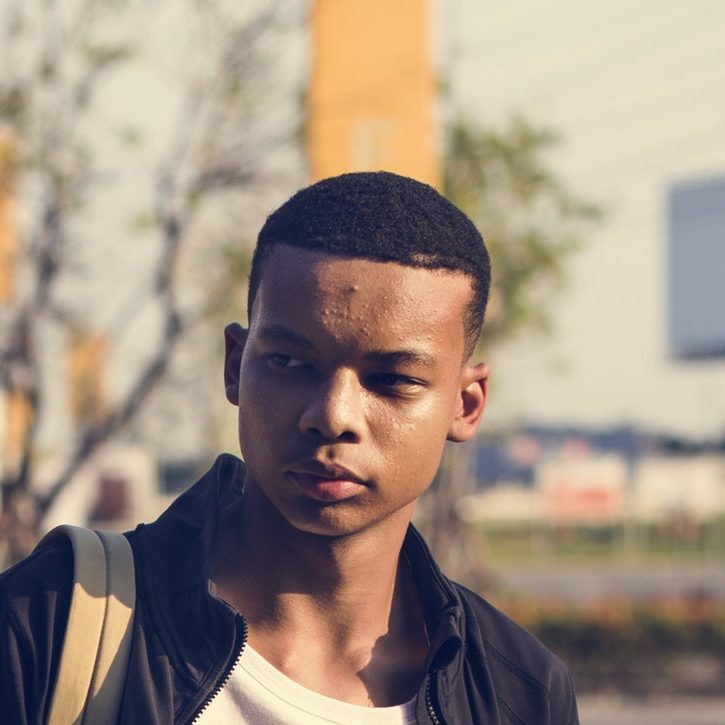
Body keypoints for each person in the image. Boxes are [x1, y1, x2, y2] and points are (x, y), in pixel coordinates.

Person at [0, 171, 579, 724]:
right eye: (290, 363)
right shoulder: (52, 622)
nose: (333, 416)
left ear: (466, 404)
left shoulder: (517, 693)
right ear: (235, 365)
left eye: (392, 380)